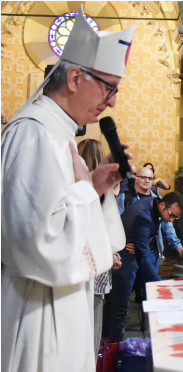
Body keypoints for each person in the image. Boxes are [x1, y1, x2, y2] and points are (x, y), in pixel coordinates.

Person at [1, 6, 132, 372]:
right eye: (109, 88)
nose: (112, 102)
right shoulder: (35, 134)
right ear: (75, 77)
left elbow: (58, 208)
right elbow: (39, 244)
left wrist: (95, 186)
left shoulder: (59, 133)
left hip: (61, 303)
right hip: (38, 312)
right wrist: (86, 192)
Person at [104, 192, 183, 341]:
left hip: (128, 253)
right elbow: (144, 254)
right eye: (171, 215)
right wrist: (159, 286)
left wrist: (142, 243)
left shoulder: (153, 202)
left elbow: (143, 241)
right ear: (162, 205)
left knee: (116, 306)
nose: (171, 220)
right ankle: (114, 351)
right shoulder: (144, 216)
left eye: (176, 217)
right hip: (123, 260)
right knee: (119, 308)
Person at [77, 139, 123, 356]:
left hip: (80, 262)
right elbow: (105, 227)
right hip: (95, 263)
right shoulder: (99, 187)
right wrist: (110, 253)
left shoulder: (74, 183)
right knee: (93, 319)